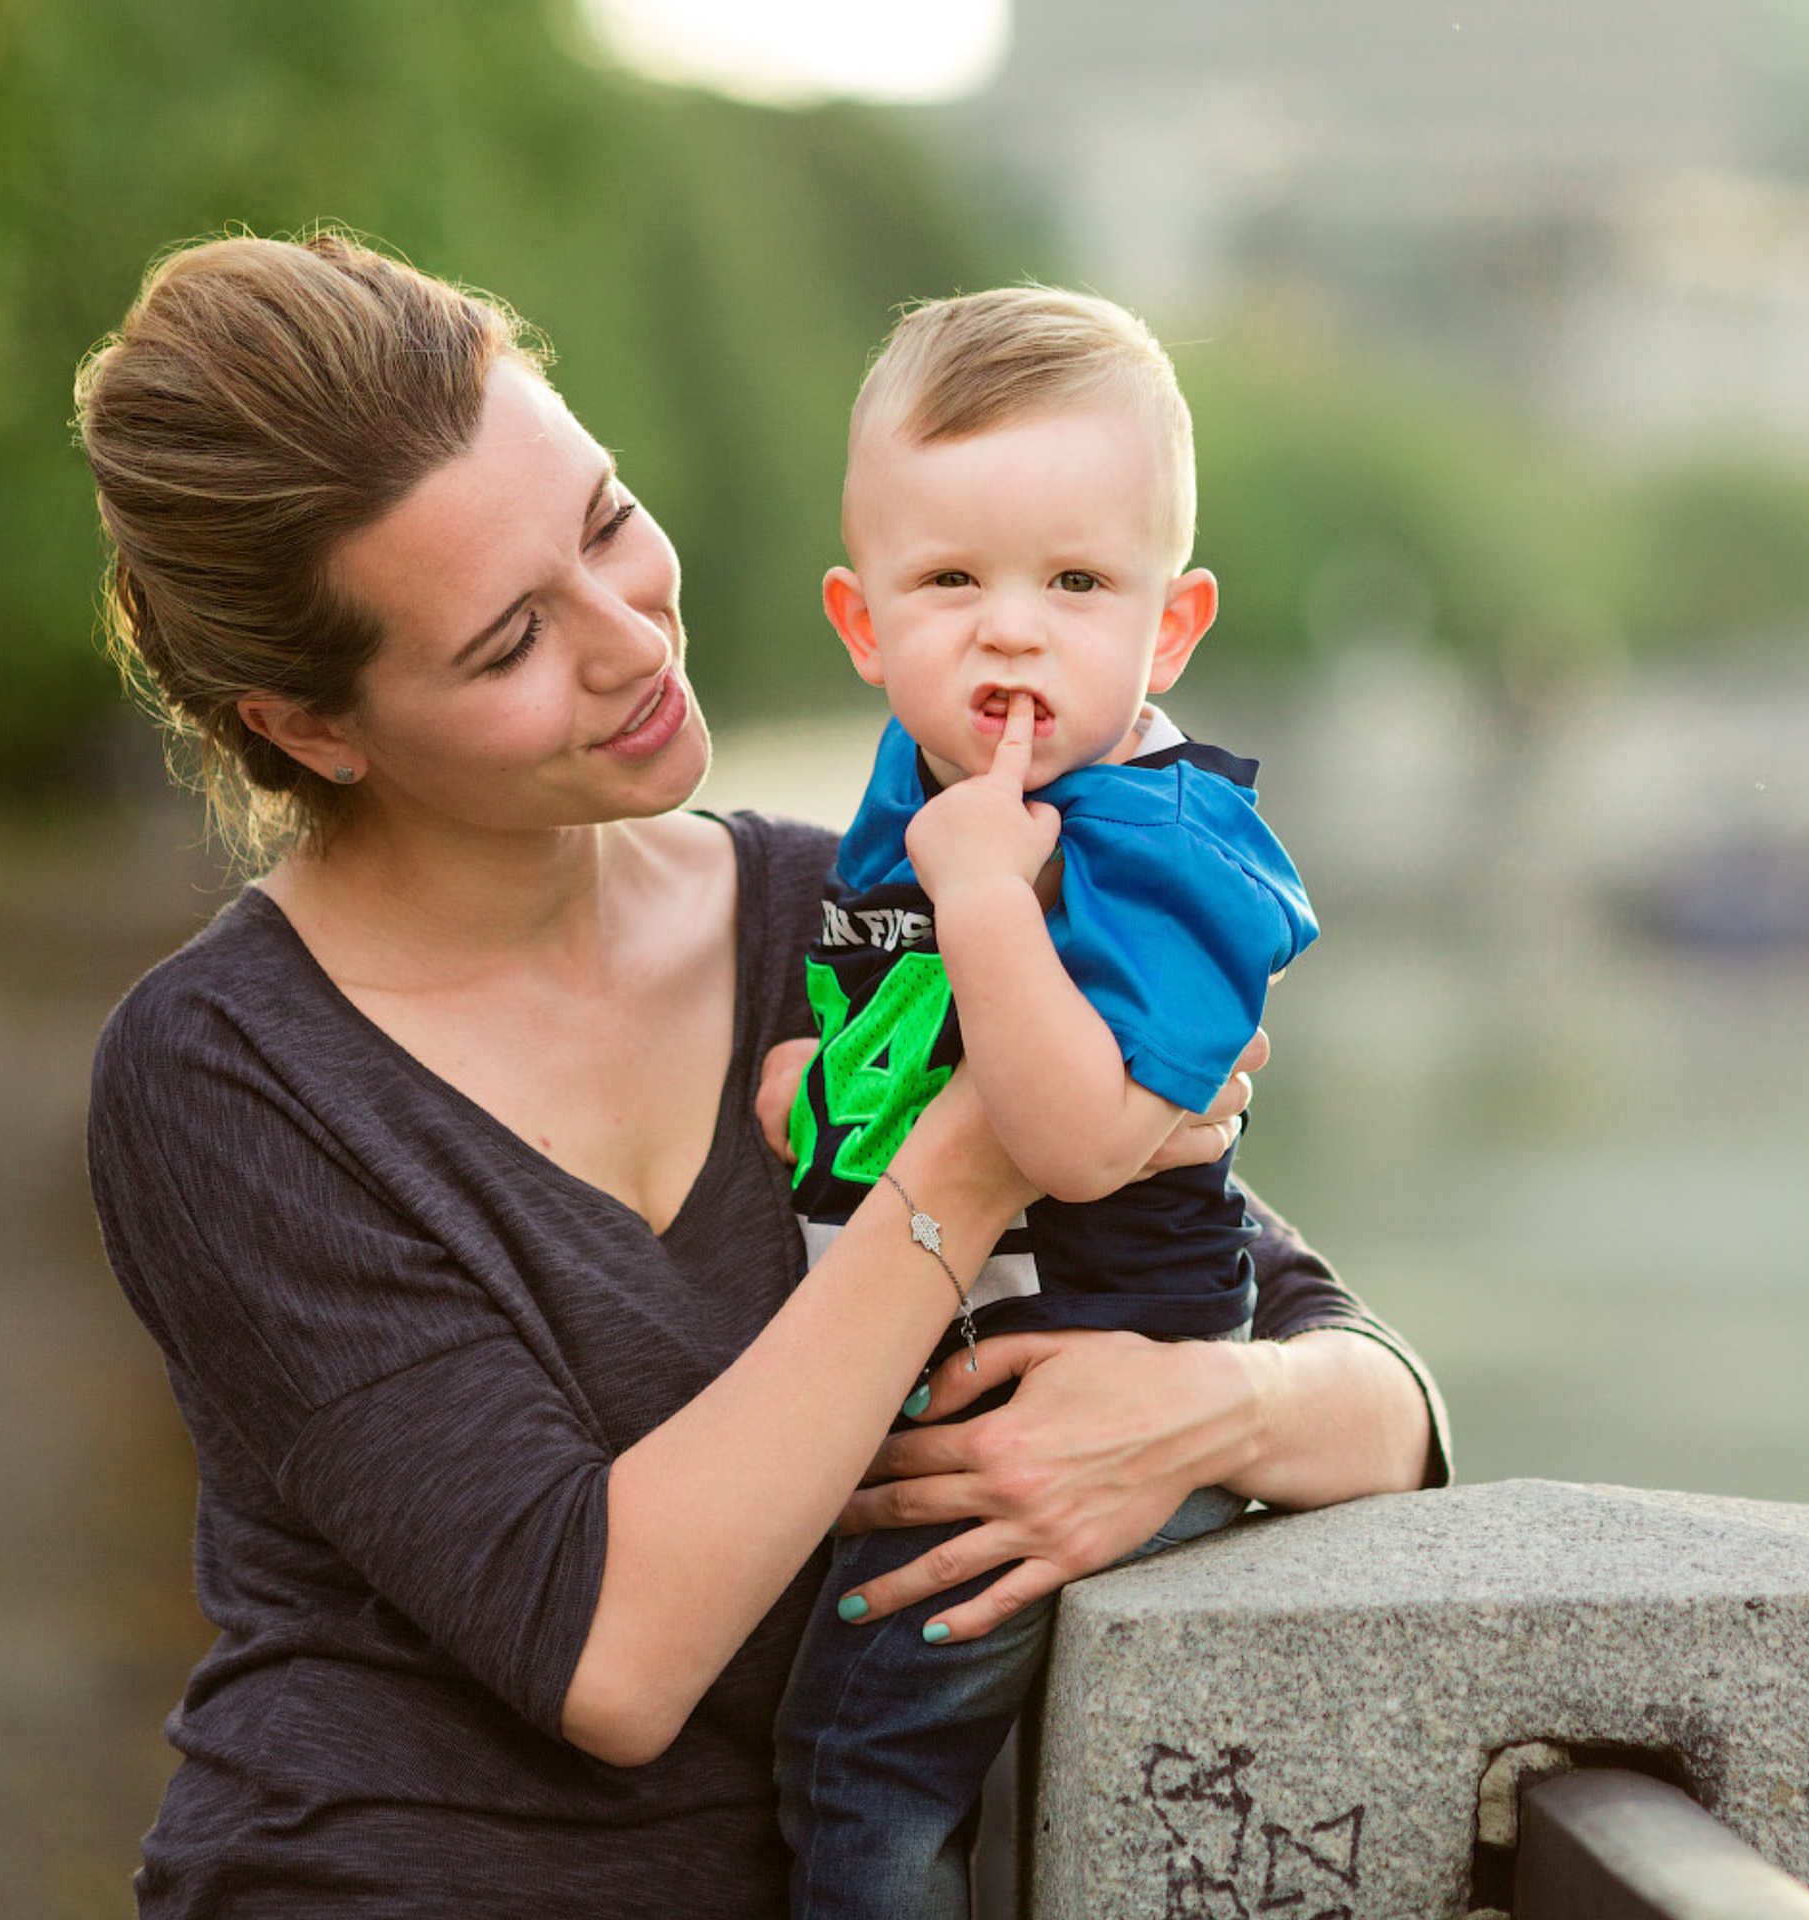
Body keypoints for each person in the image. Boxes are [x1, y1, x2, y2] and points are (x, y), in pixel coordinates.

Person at [74, 229, 1447, 1920]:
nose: (629, 641)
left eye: (605, 525)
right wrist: (981, 1150)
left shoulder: (844, 902)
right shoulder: (229, 1074)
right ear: (311, 726)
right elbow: (608, 1652)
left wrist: (1201, 1412)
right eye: (508, 644)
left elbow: (1365, 1386)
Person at [775, 287, 1325, 1920]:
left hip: (1082, 1396)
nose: (1011, 632)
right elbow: (911, 1051)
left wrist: (993, 903)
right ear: (865, 625)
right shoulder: (924, 787)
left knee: (858, 1771)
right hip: (938, 1373)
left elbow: (1080, 1140)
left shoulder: (1169, 853)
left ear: (1168, 627)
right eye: (951, 582)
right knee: (838, 1758)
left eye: (1078, 584)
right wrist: (816, 1096)